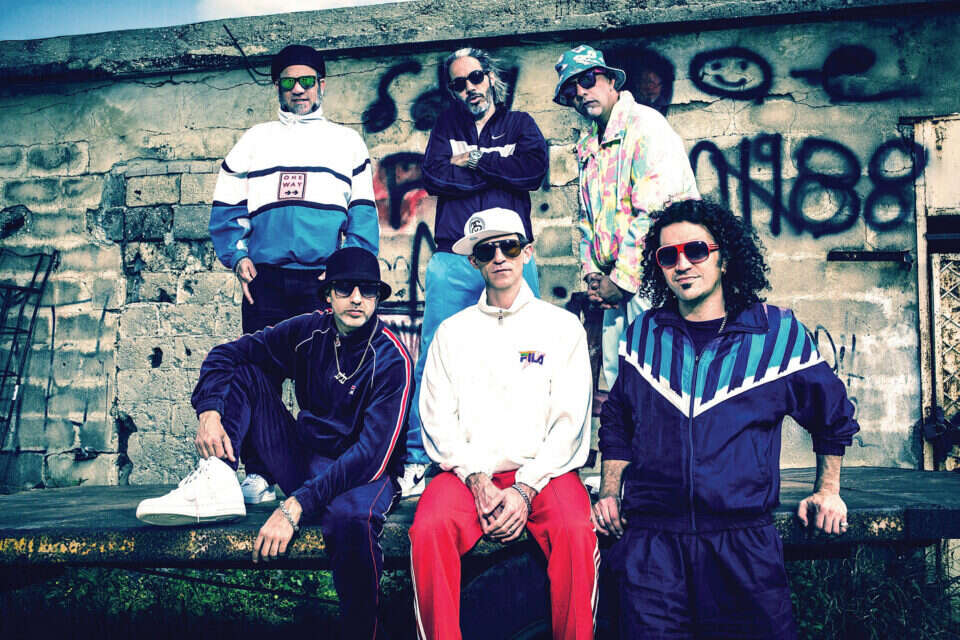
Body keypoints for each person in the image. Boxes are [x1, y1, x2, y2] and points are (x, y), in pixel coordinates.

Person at [594, 199, 859, 638]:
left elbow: (831, 415)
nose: (682, 264)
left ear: (725, 257)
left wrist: (828, 491)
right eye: (668, 255)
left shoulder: (776, 333)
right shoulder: (643, 335)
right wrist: (609, 491)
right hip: (652, 547)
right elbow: (619, 419)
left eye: (696, 250)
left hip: (742, 546)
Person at [136, 247, 412, 640]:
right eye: (345, 289)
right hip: (306, 460)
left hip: (364, 475)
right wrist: (209, 411)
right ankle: (217, 479)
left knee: (350, 520)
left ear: (377, 298)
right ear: (328, 294)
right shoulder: (308, 331)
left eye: (367, 290)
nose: (356, 299)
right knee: (246, 372)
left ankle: (365, 631)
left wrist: (295, 506)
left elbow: (371, 456)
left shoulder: (391, 358)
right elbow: (225, 355)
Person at [409, 208, 598, 640]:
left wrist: (524, 489)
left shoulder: (561, 327)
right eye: (486, 250)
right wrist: (476, 479)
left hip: (545, 473)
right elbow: (437, 417)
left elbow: (570, 420)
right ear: (473, 261)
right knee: (428, 530)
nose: (499, 257)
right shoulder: (452, 333)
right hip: (468, 475)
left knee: (576, 531)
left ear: (526, 252)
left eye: (509, 247)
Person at [401, 47, 549, 495]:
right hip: (454, 258)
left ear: (490, 78)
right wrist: (500, 170)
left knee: (530, 353)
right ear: (452, 90)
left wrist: (476, 161)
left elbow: (532, 172)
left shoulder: (520, 124)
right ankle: (417, 459)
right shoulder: (447, 127)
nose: (470, 88)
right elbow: (434, 177)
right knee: (433, 356)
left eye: (476, 77)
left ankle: (534, 458)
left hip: (512, 256)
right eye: (459, 83)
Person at [553, 44, 699, 388]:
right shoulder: (590, 143)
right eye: (571, 90)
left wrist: (620, 282)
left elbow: (655, 210)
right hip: (617, 282)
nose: (580, 92)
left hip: (660, 275)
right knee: (620, 377)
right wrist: (592, 275)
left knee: (662, 379)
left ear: (610, 81)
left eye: (587, 80)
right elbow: (588, 219)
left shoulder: (646, 126)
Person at [209, 44, 379, 335]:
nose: (298, 89)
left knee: (321, 363)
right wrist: (238, 258)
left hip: (322, 281)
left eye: (307, 81)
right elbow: (227, 208)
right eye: (289, 82)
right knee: (261, 364)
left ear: (321, 85)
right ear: (277, 87)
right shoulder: (254, 139)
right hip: (264, 280)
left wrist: (343, 272)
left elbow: (363, 219)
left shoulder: (348, 142)